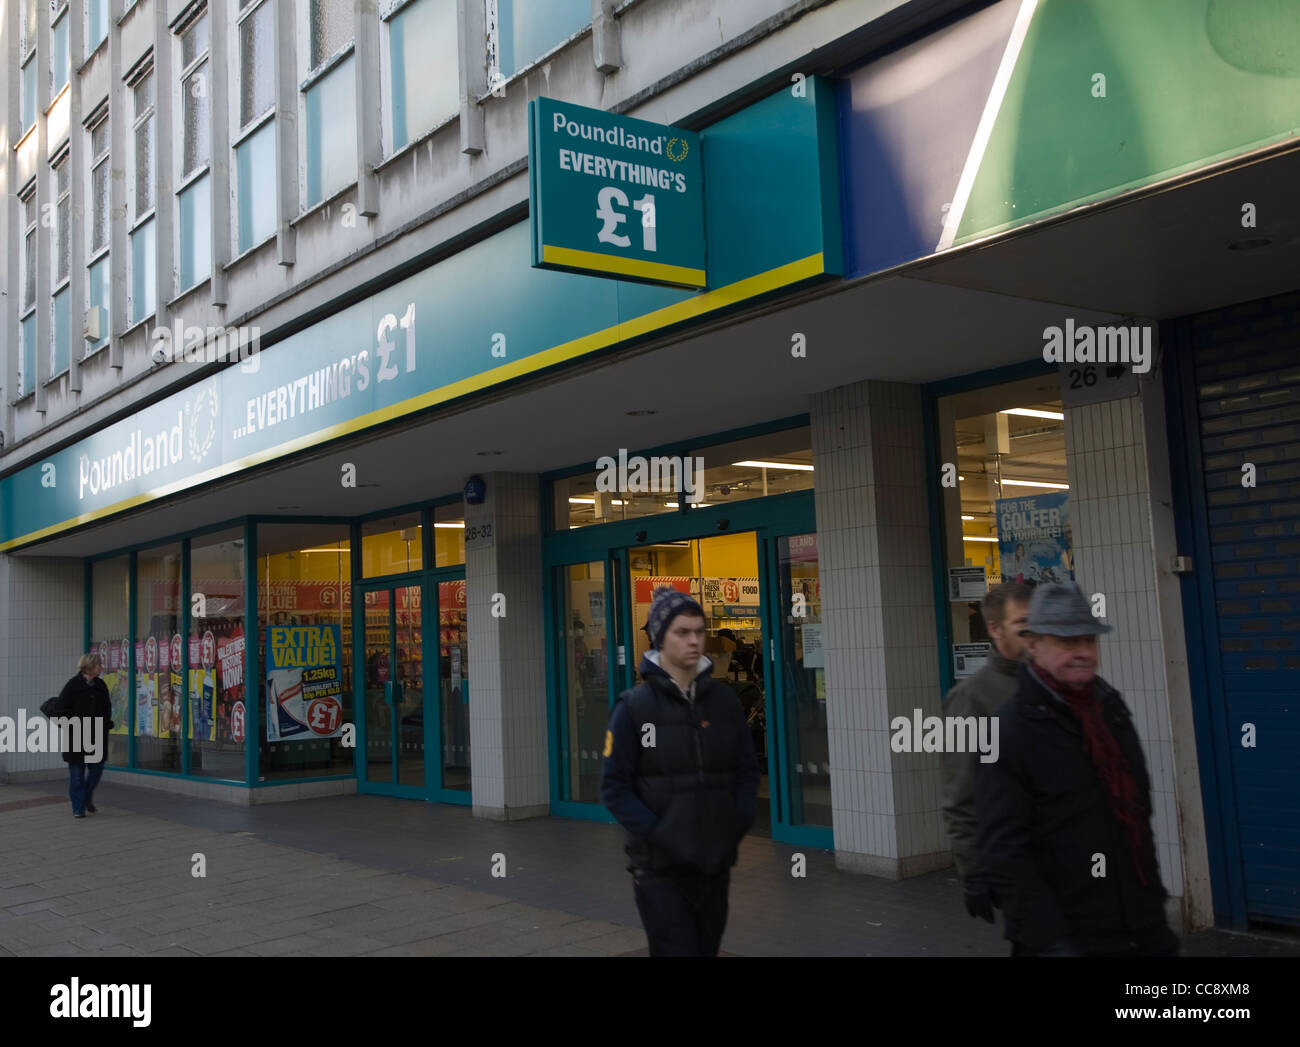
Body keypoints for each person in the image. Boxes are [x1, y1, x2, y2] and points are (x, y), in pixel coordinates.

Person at [976, 583, 1179, 957]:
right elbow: (1002, 848)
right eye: (1067, 642)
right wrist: (1050, 941)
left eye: (1089, 641)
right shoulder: (1006, 730)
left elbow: (1134, 814)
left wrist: (1152, 912)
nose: (1083, 652)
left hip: (1137, 926)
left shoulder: (1110, 711)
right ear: (1033, 645)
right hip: (1063, 937)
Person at [601, 586, 760, 956]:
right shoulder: (634, 708)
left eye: (699, 631)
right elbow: (614, 787)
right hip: (660, 870)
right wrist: (660, 834)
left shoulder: (723, 702)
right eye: (682, 632)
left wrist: (736, 822)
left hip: (713, 864)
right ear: (661, 638)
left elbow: (746, 771)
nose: (694, 641)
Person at [941, 582, 1031, 924]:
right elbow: (960, 794)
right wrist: (974, 871)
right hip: (1022, 868)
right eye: (1022, 623)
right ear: (995, 628)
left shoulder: (1054, 681)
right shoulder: (972, 698)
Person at [58, 653, 113, 818]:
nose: (101, 668)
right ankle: (78, 808)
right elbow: (62, 709)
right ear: (89, 667)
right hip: (76, 736)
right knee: (76, 774)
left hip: (96, 735)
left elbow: (107, 708)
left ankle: (86, 797)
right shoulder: (72, 686)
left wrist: (105, 723)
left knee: (97, 770)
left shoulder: (101, 685)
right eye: (98, 665)